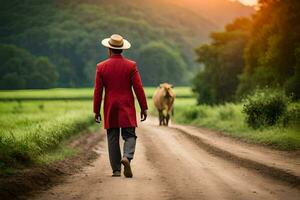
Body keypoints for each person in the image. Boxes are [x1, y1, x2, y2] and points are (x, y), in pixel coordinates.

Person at [93, 34, 148, 178]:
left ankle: (116, 170)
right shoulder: (131, 66)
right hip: (127, 106)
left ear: (109, 49)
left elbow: (98, 91)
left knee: (112, 137)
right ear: (122, 49)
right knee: (129, 135)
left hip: (110, 107)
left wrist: (96, 110)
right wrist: (144, 107)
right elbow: (138, 88)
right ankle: (127, 157)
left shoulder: (101, 67)